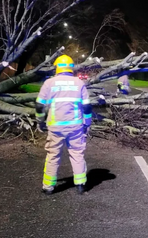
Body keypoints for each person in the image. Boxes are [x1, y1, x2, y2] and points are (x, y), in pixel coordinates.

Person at [35, 55, 92, 195]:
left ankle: (48, 187)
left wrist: (40, 121)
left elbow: (39, 105)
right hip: (75, 126)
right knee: (77, 154)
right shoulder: (79, 83)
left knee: (53, 155)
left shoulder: (49, 83)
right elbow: (87, 107)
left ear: (57, 67)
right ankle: (80, 185)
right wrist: (87, 123)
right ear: (71, 68)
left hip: (55, 127)